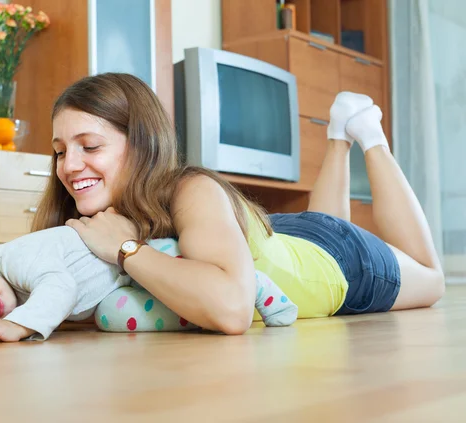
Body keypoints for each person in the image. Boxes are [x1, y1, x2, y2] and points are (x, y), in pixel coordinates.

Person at [34, 73, 445, 335]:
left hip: (338, 262)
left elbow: (232, 309)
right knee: (320, 223)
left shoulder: (190, 188)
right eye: (58, 151)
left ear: (143, 145)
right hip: (275, 238)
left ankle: (369, 137)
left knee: (432, 278)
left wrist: (128, 251)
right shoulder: (83, 216)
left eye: (89, 146)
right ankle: (339, 136)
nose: (69, 166)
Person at [0, 225, 298, 341]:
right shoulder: (6, 286)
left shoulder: (14, 256)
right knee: (111, 317)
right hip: (117, 289)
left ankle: (253, 284)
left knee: (178, 271)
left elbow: (61, 288)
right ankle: (197, 318)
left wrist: (20, 325)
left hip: (150, 256)